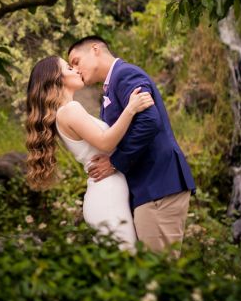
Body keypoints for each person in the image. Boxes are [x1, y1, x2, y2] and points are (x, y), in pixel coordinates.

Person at [68, 35, 195, 255]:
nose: (75, 69)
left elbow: (149, 120)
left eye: (76, 61)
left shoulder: (125, 74)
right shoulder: (111, 86)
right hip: (148, 188)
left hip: (158, 185)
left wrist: (115, 162)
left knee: (158, 274)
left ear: (95, 49)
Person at [25, 55, 155, 251]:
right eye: (69, 68)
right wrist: (131, 109)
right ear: (56, 79)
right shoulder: (69, 110)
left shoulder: (64, 113)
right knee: (124, 264)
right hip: (107, 194)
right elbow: (105, 142)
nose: (77, 70)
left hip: (107, 191)